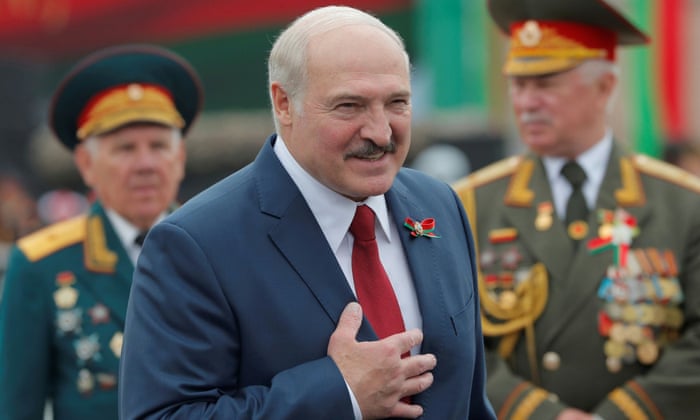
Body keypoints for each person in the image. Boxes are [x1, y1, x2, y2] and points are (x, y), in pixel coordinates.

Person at [119, 5, 494, 420]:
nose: (380, 132)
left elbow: (470, 401)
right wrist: (339, 393)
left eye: (397, 102)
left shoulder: (439, 205)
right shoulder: (196, 244)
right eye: (349, 106)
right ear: (283, 103)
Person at [452, 0, 700, 419]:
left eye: (545, 84)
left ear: (604, 87)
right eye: (518, 84)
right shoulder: (470, 203)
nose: (526, 102)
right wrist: (544, 414)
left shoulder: (683, 203)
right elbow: (452, 335)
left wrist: (619, 415)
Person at [0, 44, 203, 420]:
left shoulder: (217, 248)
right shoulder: (41, 265)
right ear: (86, 164)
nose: (145, 164)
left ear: (180, 159)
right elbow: (17, 408)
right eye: (125, 149)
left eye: (159, 146)